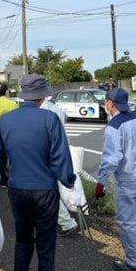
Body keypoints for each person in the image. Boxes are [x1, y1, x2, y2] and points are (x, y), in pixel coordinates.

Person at [0, 74, 80, 271]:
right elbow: (60, 157)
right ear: (41, 97)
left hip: (18, 190)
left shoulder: (6, 120)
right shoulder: (50, 120)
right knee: (46, 248)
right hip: (46, 191)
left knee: (23, 242)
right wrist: (70, 184)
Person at [95, 88, 136, 271]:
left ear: (110, 104)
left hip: (129, 181)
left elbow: (112, 158)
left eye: (106, 102)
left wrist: (101, 182)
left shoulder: (114, 125)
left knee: (127, 221)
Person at [40, 97, 79, 237]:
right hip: (60, 149)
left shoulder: (41, 110)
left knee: (48, 189)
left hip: (47, 151)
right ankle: (69, 211)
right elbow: (66, 119)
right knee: (60, 185)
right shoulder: (55, 107)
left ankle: (66, 221)